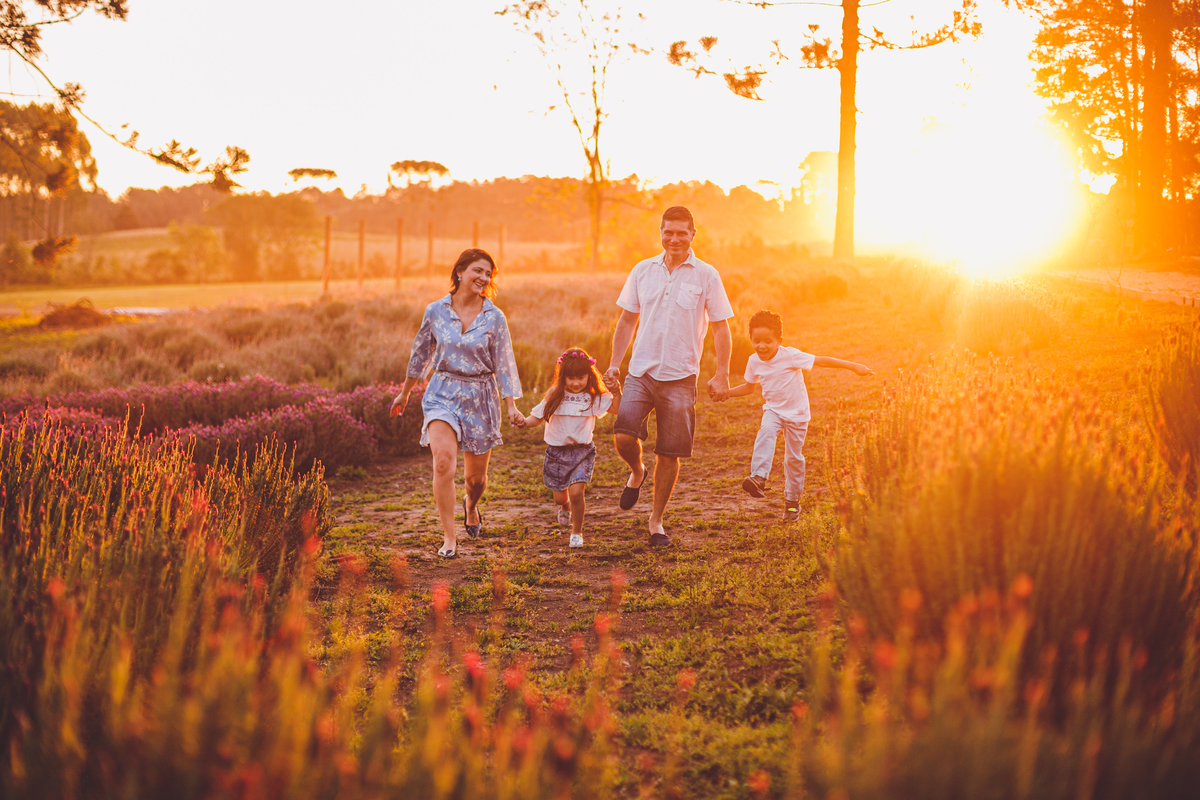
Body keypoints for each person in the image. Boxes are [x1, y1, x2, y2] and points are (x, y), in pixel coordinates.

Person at [603, 206, 734, 547]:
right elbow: (627, 320)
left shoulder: (707, 275)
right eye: (668, 232)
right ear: (660, 232)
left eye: (681, 232)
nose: (674, 238)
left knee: (669, 452)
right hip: (641, 371)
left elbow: (721, 327)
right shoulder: (643, 270)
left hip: (680, 376)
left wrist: (722, 373)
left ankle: (656, 521)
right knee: (623, 436)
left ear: (693, 234)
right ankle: (636, 472)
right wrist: (615, 364)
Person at [390, 248, 524, 558]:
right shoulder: (435, 311)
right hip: (443, 392)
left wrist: (511, 404)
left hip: (481, 396)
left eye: (488, 274)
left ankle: (471, 505)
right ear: (460, 271)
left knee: (475, 480)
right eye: (478, 270)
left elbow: (504, 362)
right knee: (443, 462)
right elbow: (420, 354)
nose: (483, 278)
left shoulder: (494, 317)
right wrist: (406, 391)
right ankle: (450, 538)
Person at [727, 309, 873, 521]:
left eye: (768, 341)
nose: (761, 346)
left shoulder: (790, 355)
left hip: (797, 414)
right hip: (774, 410)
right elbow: (750, 388)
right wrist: (726, 393)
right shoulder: (754, 361)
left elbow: (821, 361)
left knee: (793, 459)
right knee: (766, 431)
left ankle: (792, 503)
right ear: (750, 338)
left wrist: (853, 366)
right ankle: (758, 477)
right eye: (756, 340)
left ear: (779, 340)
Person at [516, 347, 621, 548]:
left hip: (583, 451)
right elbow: (537, 417)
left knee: (576, 493)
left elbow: (616, 408)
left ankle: (577, 533)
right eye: (570, 378)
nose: (575, 383)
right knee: (560, 497)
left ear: (588, 376)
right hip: (556, 453)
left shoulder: (592, 396)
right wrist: (523, 422)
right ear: (562, 376)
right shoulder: (556, 394)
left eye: (580, 377)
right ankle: (564, 507)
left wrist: (616, 391)